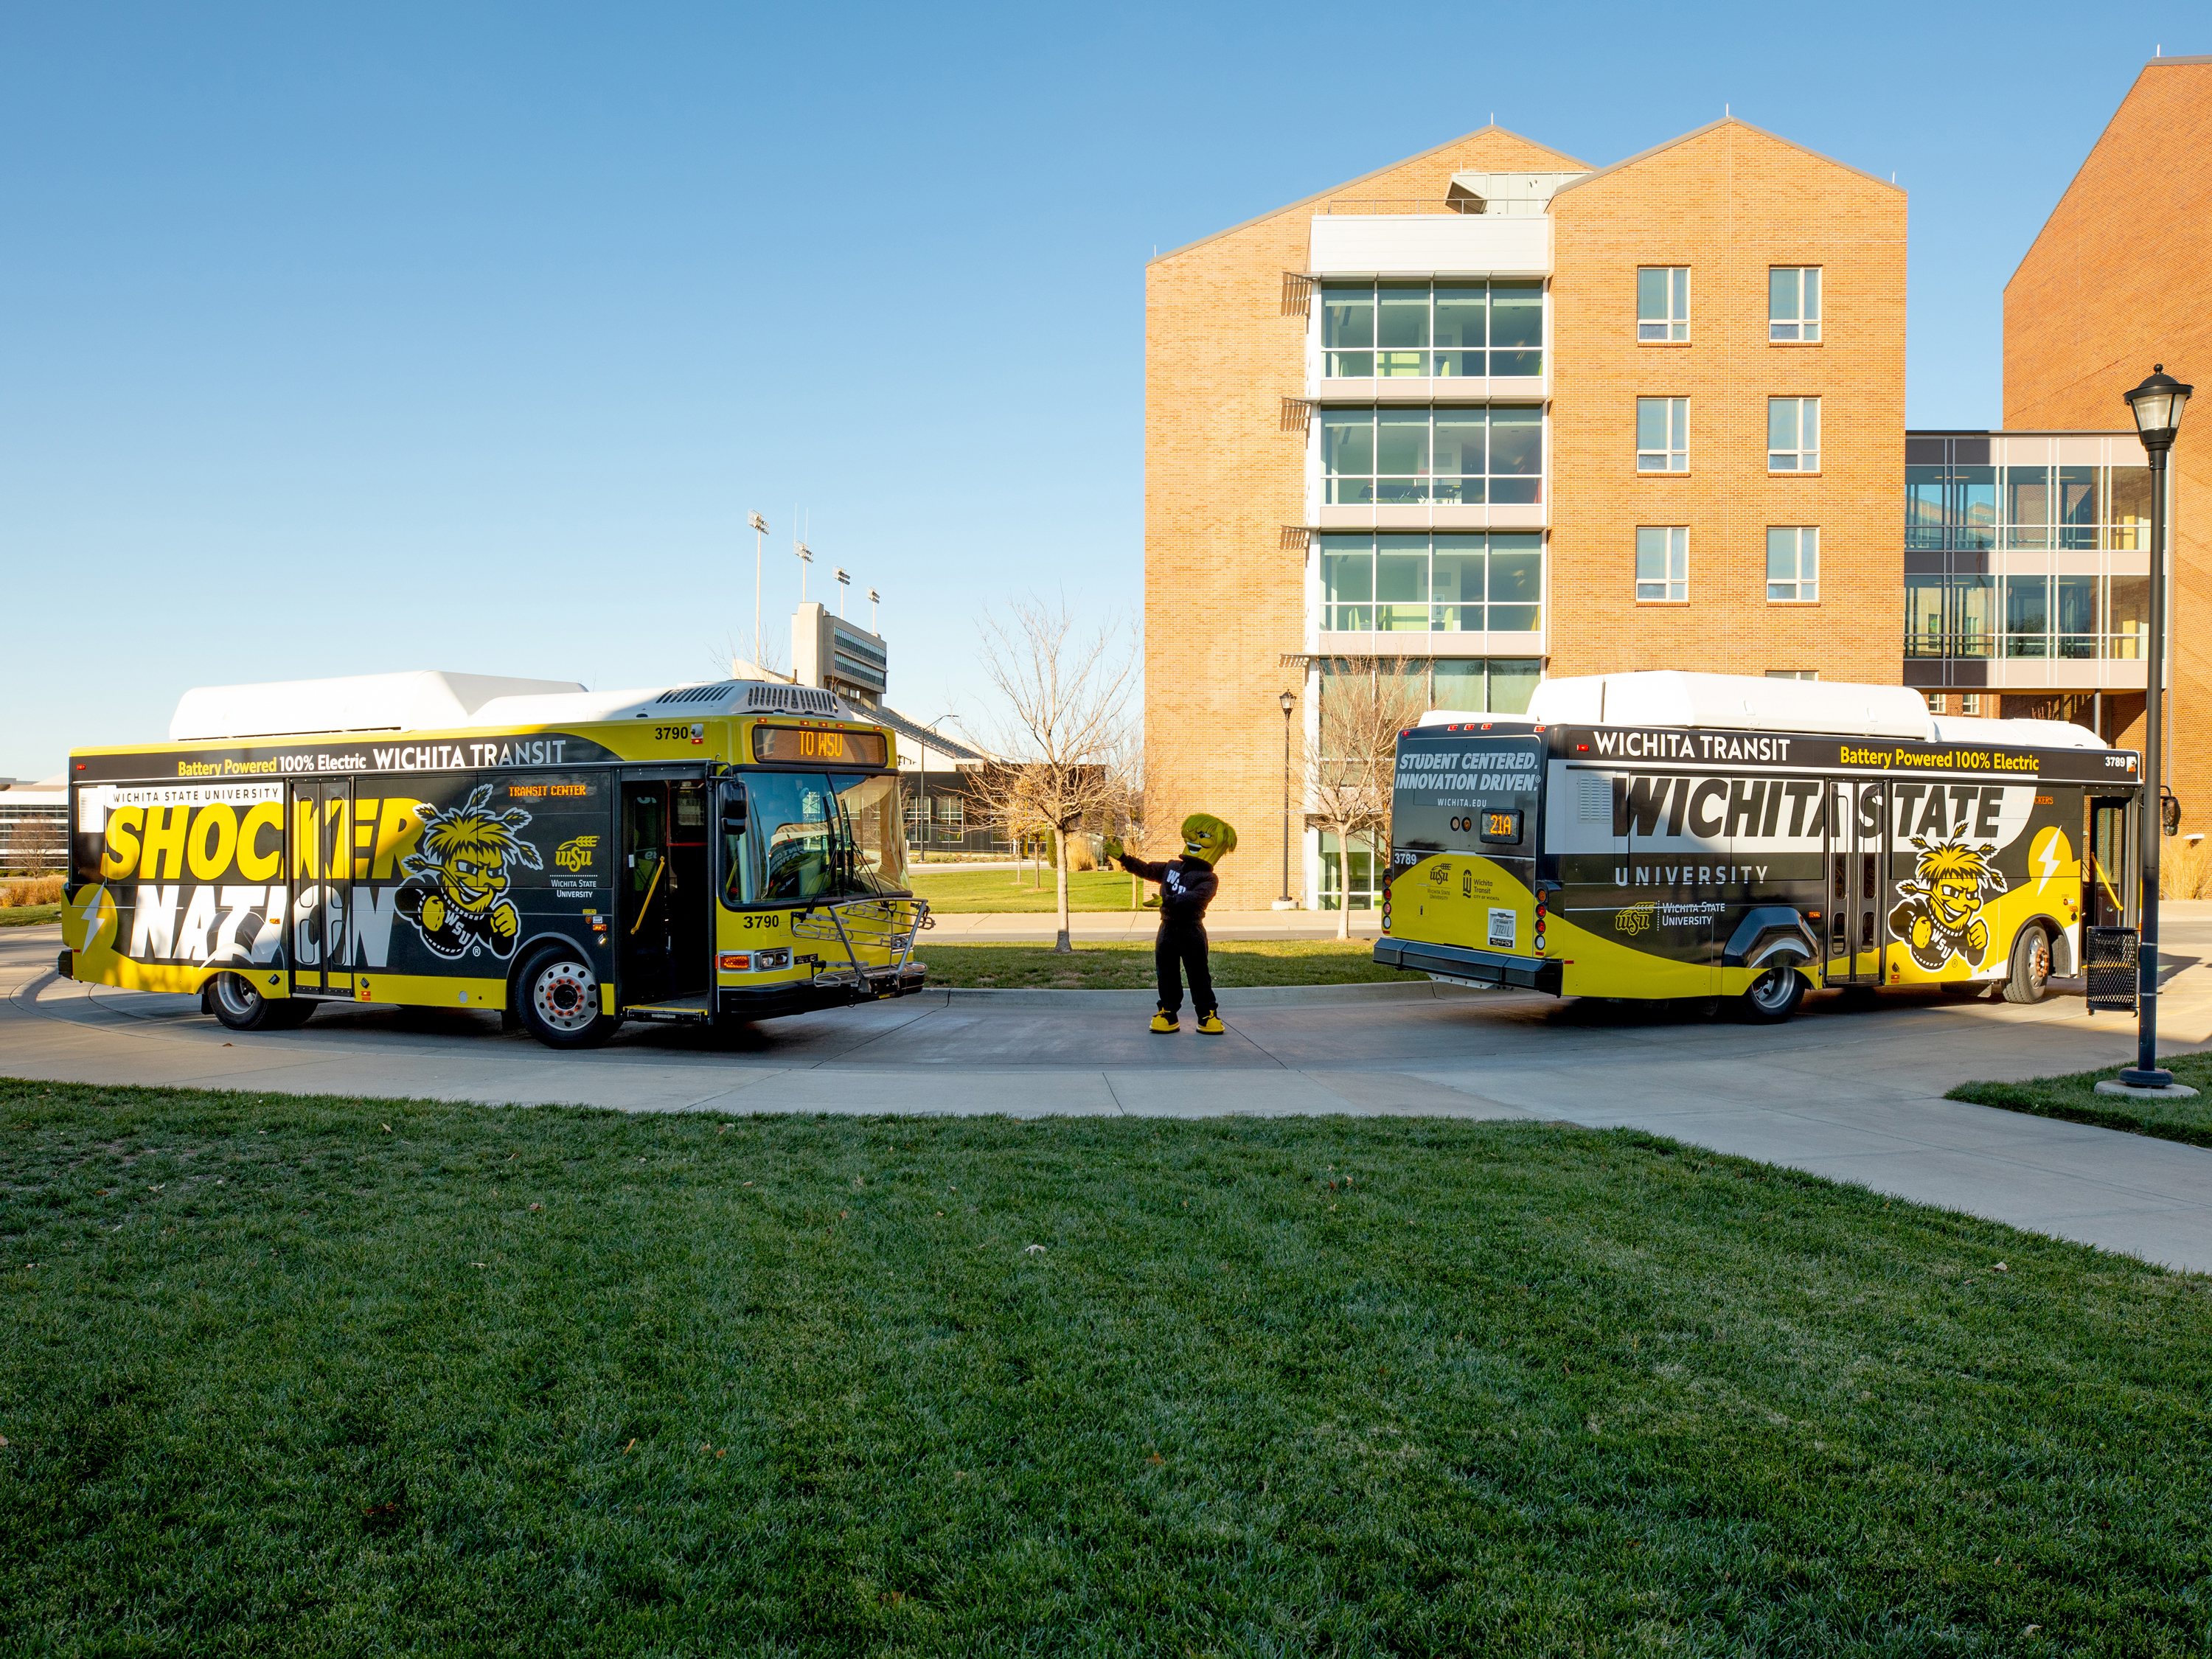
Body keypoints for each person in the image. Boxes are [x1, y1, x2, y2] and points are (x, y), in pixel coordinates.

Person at [1108, 813, 1237, 1034]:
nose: (1192, 839)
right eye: (1190, 833)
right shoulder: (1172, 867)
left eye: (1202, 835)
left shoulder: (1209, 879)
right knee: (1166, 973)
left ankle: (1207, 1013)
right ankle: (1168, 1012)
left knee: (1198, 974)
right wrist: (1124, 858)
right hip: (1167, 930)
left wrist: (1167, 900)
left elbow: (1197, 898)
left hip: (1192, 931)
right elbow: (1147, 869)